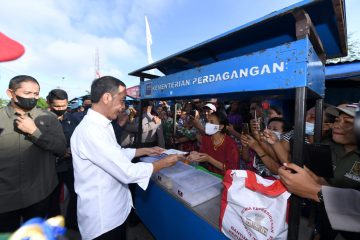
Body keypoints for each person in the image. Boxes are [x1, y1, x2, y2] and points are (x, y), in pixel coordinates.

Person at [70, 76, 184, 240]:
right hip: (104, 219)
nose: (123, 107)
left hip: (115, 210)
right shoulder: (91, 131)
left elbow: (115, 154)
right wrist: (163, 163)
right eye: (122, 101)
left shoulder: (102, 125)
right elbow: (127, 172)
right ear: (107, 97)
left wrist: (144, 150)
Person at [0, 75, 66, 232]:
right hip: (5, 198)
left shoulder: (48, 118)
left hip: (39, 195)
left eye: (36, 94)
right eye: (28, 93)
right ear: (11, 93)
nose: (33, 98)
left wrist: (34, 132)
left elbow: (61, 149)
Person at [46, 89, 78, 230]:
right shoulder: (41, 121)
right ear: (49, 103)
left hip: (71, 166)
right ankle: (55, 225)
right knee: (52, 199)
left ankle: (72, 222)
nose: (60, 109)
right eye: (57, 106)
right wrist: (59, 152)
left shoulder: (74, 119)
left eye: (63, 106)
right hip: (52, 167)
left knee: (76, 194)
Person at [187, 111, 239, 175]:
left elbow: (231, 169)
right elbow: (204, 155)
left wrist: (209, 159)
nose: (208, 124)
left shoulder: (230, 144)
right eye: (208, 121)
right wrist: (197, 154)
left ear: (221, 127)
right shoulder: (206, 139)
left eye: (211, 122)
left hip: (226, 178)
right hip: (211, 175)